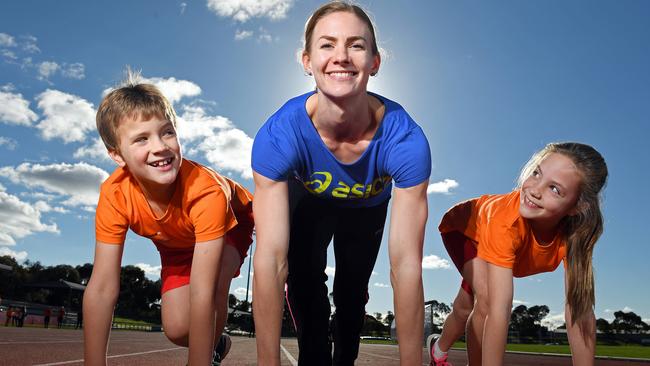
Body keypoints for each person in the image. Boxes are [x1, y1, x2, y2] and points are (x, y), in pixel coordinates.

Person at [251, 2, 431, 364]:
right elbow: (270, 261)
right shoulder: (278, 138)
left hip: (366, 209)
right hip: (310, 200)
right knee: (303, 283)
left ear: (375, 62)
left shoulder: (406, 142)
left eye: (356, 45)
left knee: (351, 294)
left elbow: (406, 266)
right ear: (307, 60)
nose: (342, 56)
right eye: (328, 44)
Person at [83, 73, 254, 366]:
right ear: (117, 155)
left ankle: (208, 352)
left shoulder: (205, 191)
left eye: (167, 132)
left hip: (229, 227)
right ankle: (218, 342)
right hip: (176, 243)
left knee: (211, 289)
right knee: (176, 328)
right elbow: (101, 287)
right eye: (141, 139)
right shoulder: (114, 194)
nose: (160, 146)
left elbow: (202, 292)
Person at [427, 142, 607, 366]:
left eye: (554, 188)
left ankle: (438, 350)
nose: (534, 189)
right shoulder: (506, 222)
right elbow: (498, 311)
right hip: (465, 230)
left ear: (577, 207)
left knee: (464, 308)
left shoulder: (576, 235)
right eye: (536, 173)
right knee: (486, 299)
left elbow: (580, 311)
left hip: (493, 234)